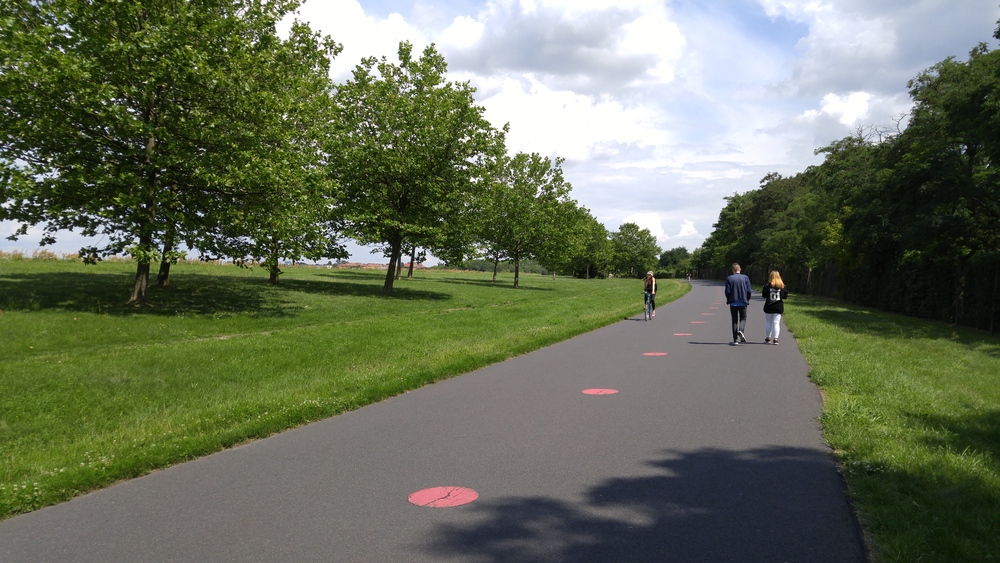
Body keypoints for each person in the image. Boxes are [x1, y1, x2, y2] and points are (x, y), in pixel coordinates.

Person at [724, 263, 752, 345]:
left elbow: (727, 291)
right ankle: (741, 330)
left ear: (733, 270)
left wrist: (729, 299)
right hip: (743, 301)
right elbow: (748, 290)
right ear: (740, 269)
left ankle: (735, 339)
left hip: (733, 302)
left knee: (734, 320)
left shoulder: (729, 278)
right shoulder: (745, 278)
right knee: (743, 318)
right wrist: (747, 299)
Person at [762, 270, 789, 345]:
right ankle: (776, 339)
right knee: (776, 323)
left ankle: (768, 338)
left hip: (769, 306)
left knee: (768, 322)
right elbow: (785, 296)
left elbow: (764, 295)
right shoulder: (782, 286)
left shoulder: (767, 286)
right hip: (778, 306)